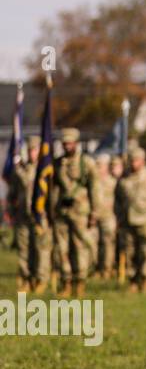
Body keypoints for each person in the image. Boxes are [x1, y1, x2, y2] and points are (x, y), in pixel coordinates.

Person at [52, 128, 97, 298]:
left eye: (70, 143)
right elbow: (53, 189)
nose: (67, 146)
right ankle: (66, 281)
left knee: (79, 247)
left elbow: (95, 188)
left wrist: (94, 212)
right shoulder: (57, 164)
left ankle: (80, 281)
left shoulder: (86, 163)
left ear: (76, 144)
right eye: (64, 144)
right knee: (61, 249)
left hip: (80, 211)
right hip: (62, 211)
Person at [115, 146, 146, 293]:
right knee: (130, 252)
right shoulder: (124, 178)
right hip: (127, 220)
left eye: (137, 160)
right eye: (132, 160)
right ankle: (133, 281)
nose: (134, 163)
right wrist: (118, 217)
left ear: (143, 161)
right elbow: (117, 200)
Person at [7, 136, 50, 294]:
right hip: (23, 215)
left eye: (35, 150)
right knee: (24, 249)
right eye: (30, 150)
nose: (33, 153)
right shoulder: (21, 170)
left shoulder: (45, 169)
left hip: (41, 216)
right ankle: (26, 279)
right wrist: (11, 212)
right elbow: (13, 194)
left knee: (41, 249)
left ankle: (41, 279)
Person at [91, 154, 118, 279]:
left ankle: (107, 269)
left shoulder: (112, 182)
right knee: (94, 244)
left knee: (108, 244)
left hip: (109, 216)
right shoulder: (92, 182)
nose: (99, 168)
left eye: (101, 166)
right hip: (94, 217)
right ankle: (96, 267)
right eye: (97, 166)